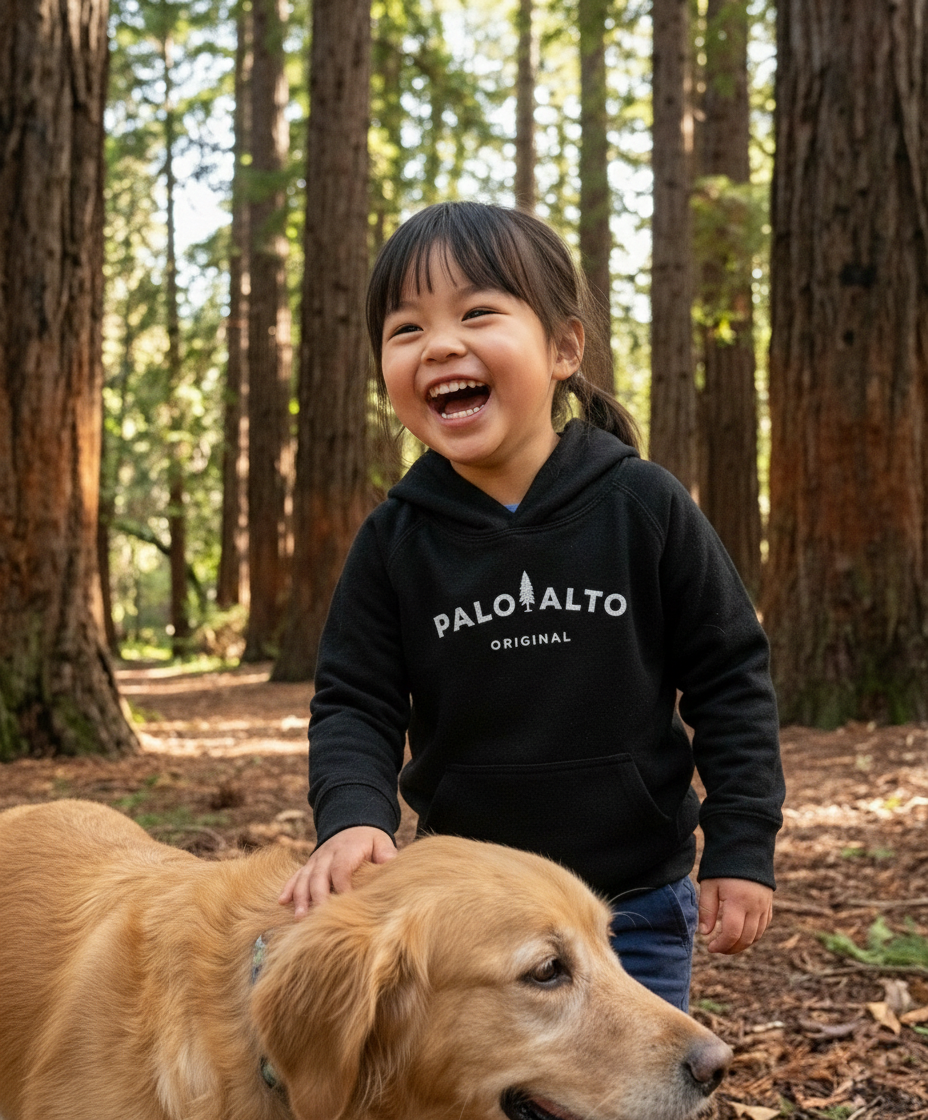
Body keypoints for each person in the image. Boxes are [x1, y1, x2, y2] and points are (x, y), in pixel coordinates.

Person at [280, 200, 784, 1011]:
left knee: (627, 1088)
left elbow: (730, 679)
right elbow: (355, 701)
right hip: (473, 923)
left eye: (478, 312)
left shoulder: (642, 505)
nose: (439, 344)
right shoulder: (394, 540)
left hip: (635, 904)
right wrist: (352, 816)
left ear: (563, 348)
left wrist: (742, 844)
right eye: (405, 330)